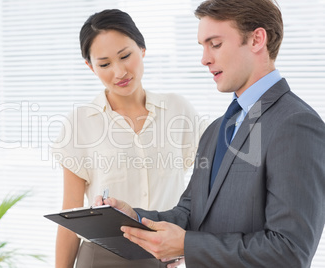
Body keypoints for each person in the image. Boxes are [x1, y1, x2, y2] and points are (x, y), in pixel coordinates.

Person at [96, 1, 325, 267]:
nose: (204, 59)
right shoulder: (216, 129)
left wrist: (186, 245)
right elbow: (191, 214)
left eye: (215, 44)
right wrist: (134, 218)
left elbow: (289, 251)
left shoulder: (296, 124)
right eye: (202, 47)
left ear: (257, 39)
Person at [53, 9, 206, 268]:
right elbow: (71, 214)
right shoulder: (79, 123)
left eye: (125, 56)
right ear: (90, 67)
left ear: (142, 49)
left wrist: (187, 244)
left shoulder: (178, 110)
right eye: (104, 64)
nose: (119, 71)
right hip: (101, 258)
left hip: (163, 256)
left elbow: (207, 190)